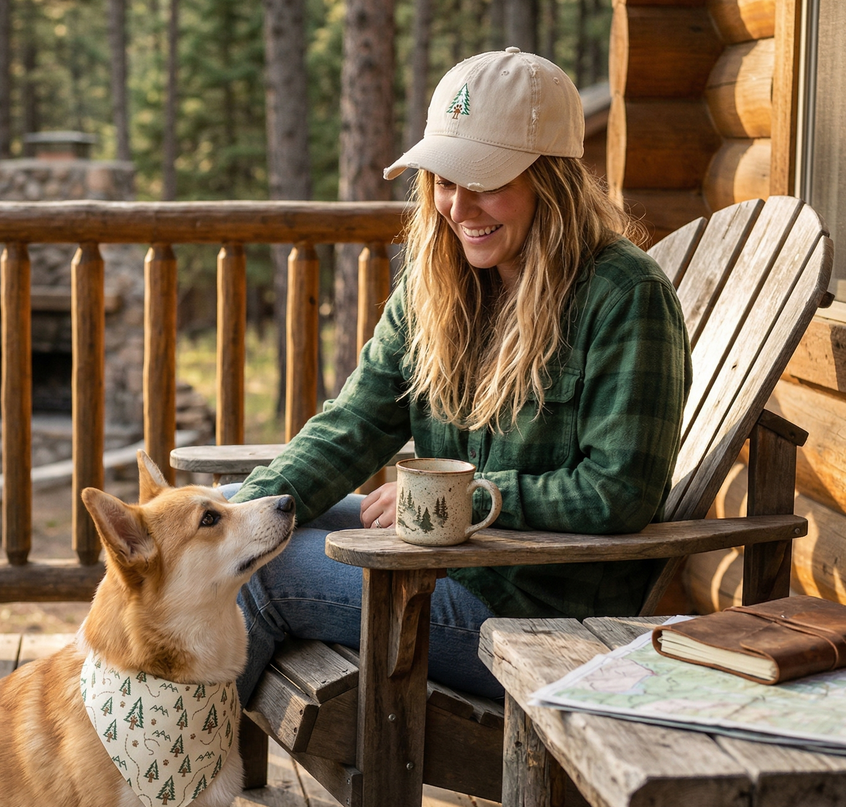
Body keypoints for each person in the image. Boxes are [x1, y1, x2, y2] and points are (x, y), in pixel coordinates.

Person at [228, 48, 691, 703]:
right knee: (237, 529)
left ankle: (163, 798)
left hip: (535, 614)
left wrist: (467, 500)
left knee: (254, 574)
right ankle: (154, 781)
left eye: (486, 181)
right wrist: (237, 505)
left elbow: (619, 492)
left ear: (551, 180)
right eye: (444, 179)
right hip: (438, 564)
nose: (458, 205)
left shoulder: (623, 293)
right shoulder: (438, 282)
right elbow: (355, 424)